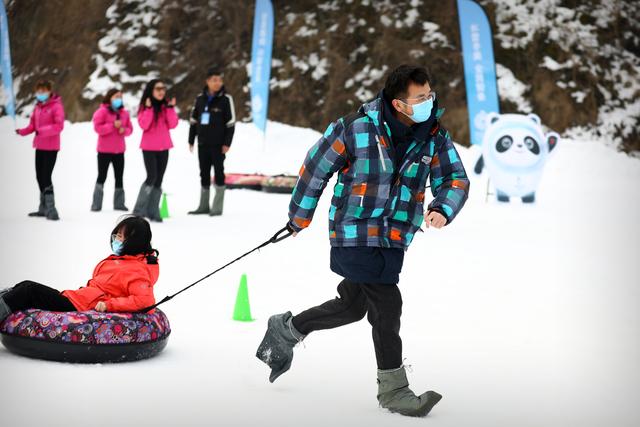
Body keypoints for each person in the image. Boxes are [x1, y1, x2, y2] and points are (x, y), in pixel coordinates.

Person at [256, 65, 470, 417]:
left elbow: (455, 178)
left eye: (430, 95)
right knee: (387, 306)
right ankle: (394, 390)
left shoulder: (433, 136)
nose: (429, 103)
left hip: (394, 236)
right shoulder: (356, 127)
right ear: (398, 103)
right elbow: (316, 168)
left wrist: (443, 207)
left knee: (353, 306)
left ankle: (287, 330)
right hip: (354, 231)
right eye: (420, 98)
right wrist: (299, 218)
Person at [0, 216, 159, 323]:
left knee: (29, 290)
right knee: (25, 285)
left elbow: (145, 300)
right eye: (116, 235)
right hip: (78, 299)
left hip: (81, 307)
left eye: (120, 237)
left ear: (133, 242)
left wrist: (109, 305)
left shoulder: (136, 270)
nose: (115, 239)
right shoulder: (122, 261)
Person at [188, 67, 236, 216]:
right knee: (203, 173)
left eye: (219, 80)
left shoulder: (226, 99)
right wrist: (191, 139)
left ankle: (217, 207)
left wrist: (227, 143)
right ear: (207, 81)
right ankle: (203, 205)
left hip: (218, 144)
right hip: (202, 143)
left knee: (219, 172)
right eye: (214, 80)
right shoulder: (199, 99)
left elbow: (231, 123)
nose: (217, 83)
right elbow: (193, 120)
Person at [15, 79, 65, 221]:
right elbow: (32, 126)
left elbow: (59, 126)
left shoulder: (56, 106)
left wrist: (41, 131)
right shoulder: (37, 107)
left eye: (43, 91)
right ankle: (43, 209)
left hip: (51, 147)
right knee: (39, 177)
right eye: (38, 91)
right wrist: (22, 131)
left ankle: (51, 209)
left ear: (49, 91)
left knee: (46, 177)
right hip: (39, 147)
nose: (40, 94)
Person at [132, 79, 178, 222]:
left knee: (159, 179)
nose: (161, 91)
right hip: (148, 148)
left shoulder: (166, 107)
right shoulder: (144, 107)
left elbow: (173, 124)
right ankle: (139, 210)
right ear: (151, 90)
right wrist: (149, 109)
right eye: (158, 88)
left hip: (164, 148)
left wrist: (170, 108)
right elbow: (144, 125)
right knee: (151, 176)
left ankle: (153, 211)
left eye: (163, 88)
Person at [90, 88, 133, 212]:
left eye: (120, 97)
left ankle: (119, 204)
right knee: (101, 176)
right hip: (104, 151)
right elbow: (97, 128)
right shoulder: (101, 112)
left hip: (119, 151)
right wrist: (112, 125)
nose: (118, 99)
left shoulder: (125, 113)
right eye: (116, 97)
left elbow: (130, 129)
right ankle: (96, 204)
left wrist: (123, 130)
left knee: (119, 177)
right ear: (109, 98)